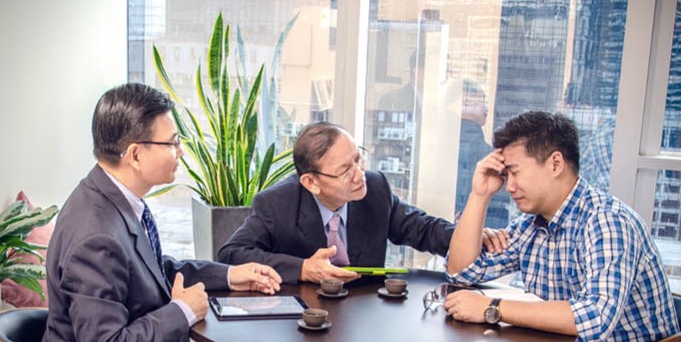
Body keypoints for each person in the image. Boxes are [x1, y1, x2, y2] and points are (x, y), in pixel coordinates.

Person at [41, 83, 283, 342]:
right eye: (172, 142)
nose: (181, 151)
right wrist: (183, 312)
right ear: (135, 154)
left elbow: (153, 269)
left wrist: (228, 274)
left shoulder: (111, 197)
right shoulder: (96, 233)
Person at [443, 111, 678, 342]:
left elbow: (595, 318)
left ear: (555, 163)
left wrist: (492, 309)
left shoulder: (606, 222)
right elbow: (461, 272)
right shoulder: (535, 224)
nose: (510, 185)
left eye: (515, 172)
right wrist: (479, 195)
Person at [217, 121, 507, 284]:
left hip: (363, 320)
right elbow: (231, 254)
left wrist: (466, 236)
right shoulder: (277, 203)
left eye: (358, 159)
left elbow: (420, 228)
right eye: (345, 170)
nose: (359, 175)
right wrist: (303, 268)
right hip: (301, 326)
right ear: (311, 182)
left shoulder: (375, 188)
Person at [455, 79, 510, 228]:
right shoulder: (470, 139)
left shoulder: (451, 137)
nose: (486, 107)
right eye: (480, 101)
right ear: (463, 104)